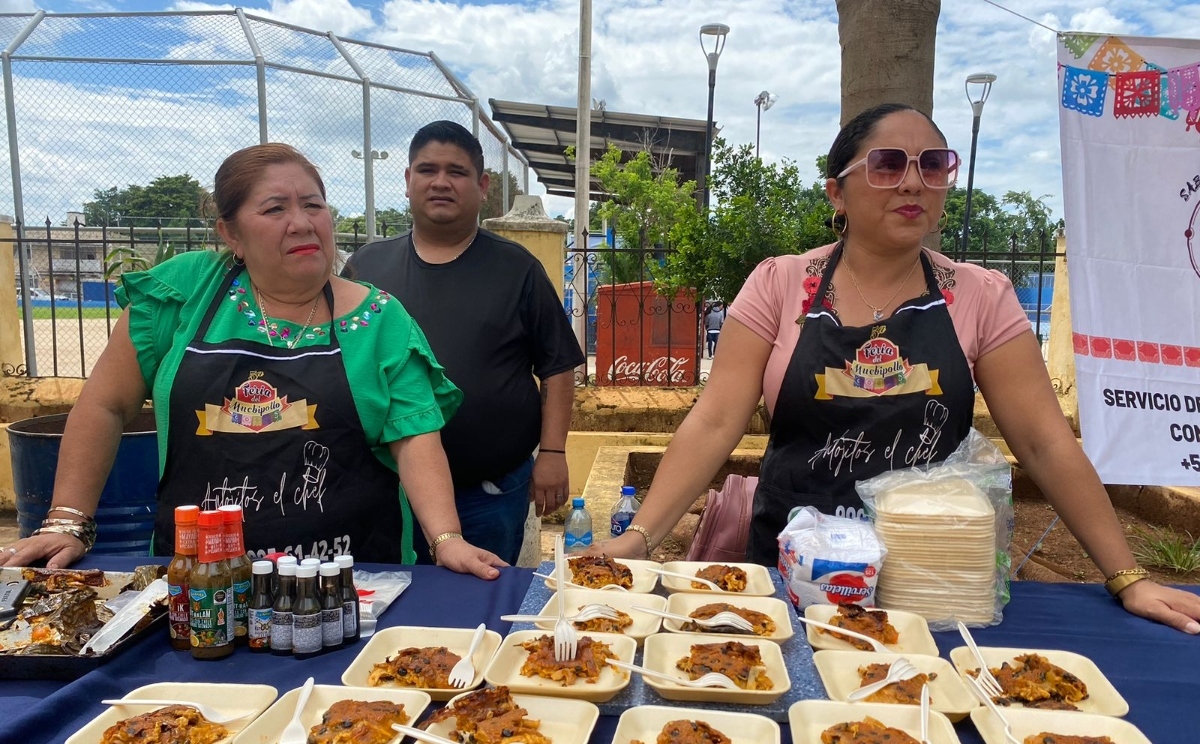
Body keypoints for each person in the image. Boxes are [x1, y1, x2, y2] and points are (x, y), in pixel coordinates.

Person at [601, 103, 1200, 634]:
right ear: (837, 192)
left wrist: (1128, 576)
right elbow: (713, 422)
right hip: (796, 577)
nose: (913, 181)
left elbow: (1046, 442)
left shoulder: (981, 296)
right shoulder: (781, 284)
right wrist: (640, 537)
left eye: (933, 165)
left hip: (930, 586)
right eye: (888, 164)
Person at [0, 143, 504, 579]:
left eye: (314, 204)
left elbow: (415, 437)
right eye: (274, 209)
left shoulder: (380, 318)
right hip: (202, 583)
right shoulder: (182, 293)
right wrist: (66, 520)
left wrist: (445, 539)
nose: (302, 222)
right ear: (231, 234)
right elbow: (106, 405)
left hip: (349, 580)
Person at [346, 121, 585, 566]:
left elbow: (556, 365)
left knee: (481, 613)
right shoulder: (367, 268)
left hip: (490, 494)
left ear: (482, 185)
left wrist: (552, 453)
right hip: (385, 492)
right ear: (407, 180)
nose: (440, 182)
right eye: (427, 169)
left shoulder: (516, 269)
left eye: (456, 171)